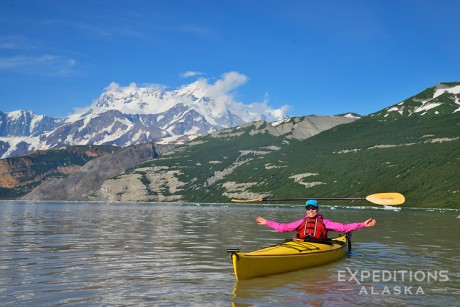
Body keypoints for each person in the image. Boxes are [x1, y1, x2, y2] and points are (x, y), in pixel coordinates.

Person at [256, 199, 376, 241]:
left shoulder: (325, 222)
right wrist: (266, 222)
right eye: (308, 208)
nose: (311, 210)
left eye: (313, 208)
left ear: (317, 209)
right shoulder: (301, 222)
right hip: (302, 244)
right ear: (306, 210)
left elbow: (344, 228)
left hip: (319, 244)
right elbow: (283, 228)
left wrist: (363, 224)